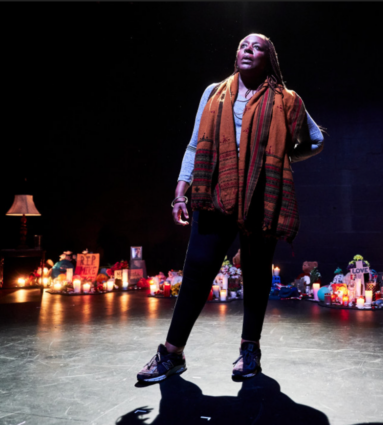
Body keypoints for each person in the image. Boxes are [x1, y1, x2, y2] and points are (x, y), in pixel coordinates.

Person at [137, 34, 324, 383]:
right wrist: (181, 190)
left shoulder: (286, 100)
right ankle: (172, 353)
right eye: (242, 45)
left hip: (260, 197)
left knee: (255, 275)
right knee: (196, 273)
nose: (247, 50)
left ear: (269, 59)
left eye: (257, 47)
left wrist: (280, 157)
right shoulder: (214, 93)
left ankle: (249, 350)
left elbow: (315, 140)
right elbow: (194, 145)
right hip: (215, 192)